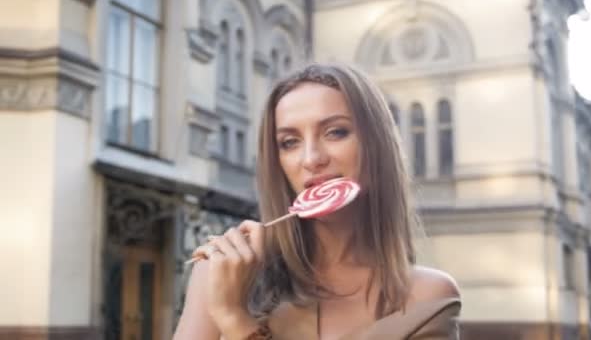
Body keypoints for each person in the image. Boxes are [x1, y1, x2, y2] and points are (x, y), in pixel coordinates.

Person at [173, 63, 461, 339]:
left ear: (377, 147)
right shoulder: (220, 273)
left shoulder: (428, 298)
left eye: (336, 132)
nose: (311, 159)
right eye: (289, 142)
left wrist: (235, 320)